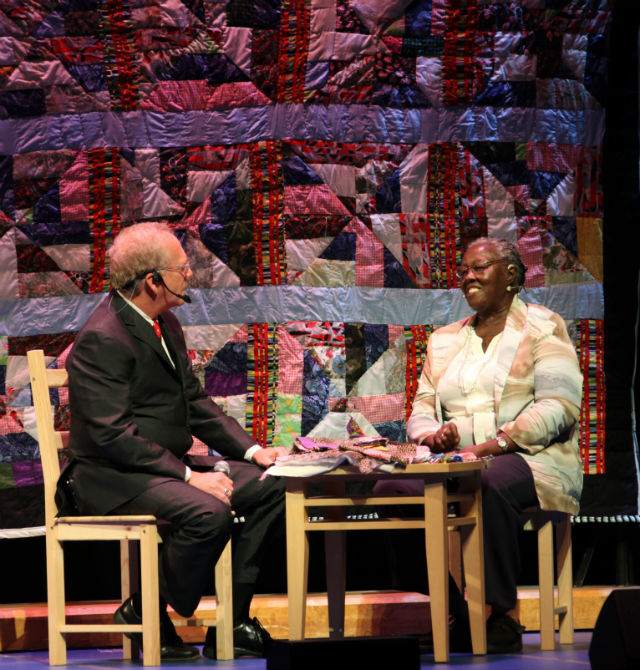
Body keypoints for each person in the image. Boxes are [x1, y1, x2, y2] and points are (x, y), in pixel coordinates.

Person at [56, 221, 287, 662]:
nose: (191, 277)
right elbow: (113, 435)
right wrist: (189, 476)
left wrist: (254, 452)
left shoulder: (167, 324)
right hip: (111, 477)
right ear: (153, 280)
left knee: (273, 482)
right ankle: (145, 609)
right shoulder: (103, 338)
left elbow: (194, 402)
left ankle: (231, 623)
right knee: (208, 510)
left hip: (157, 469)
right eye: (183, 269)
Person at [406, 237, 583, 653]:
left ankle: (497, 614)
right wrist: (432, 435)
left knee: (490, 483)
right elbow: (421, 408)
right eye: (463, 269)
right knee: (392, 491)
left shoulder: (544, 326)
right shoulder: (444, 340)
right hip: (454, 463)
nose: (468, 276)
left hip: (532, 459)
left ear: (510, 275)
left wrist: (494, 445)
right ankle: (453, 610)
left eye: (480, 267)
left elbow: (559, 405)